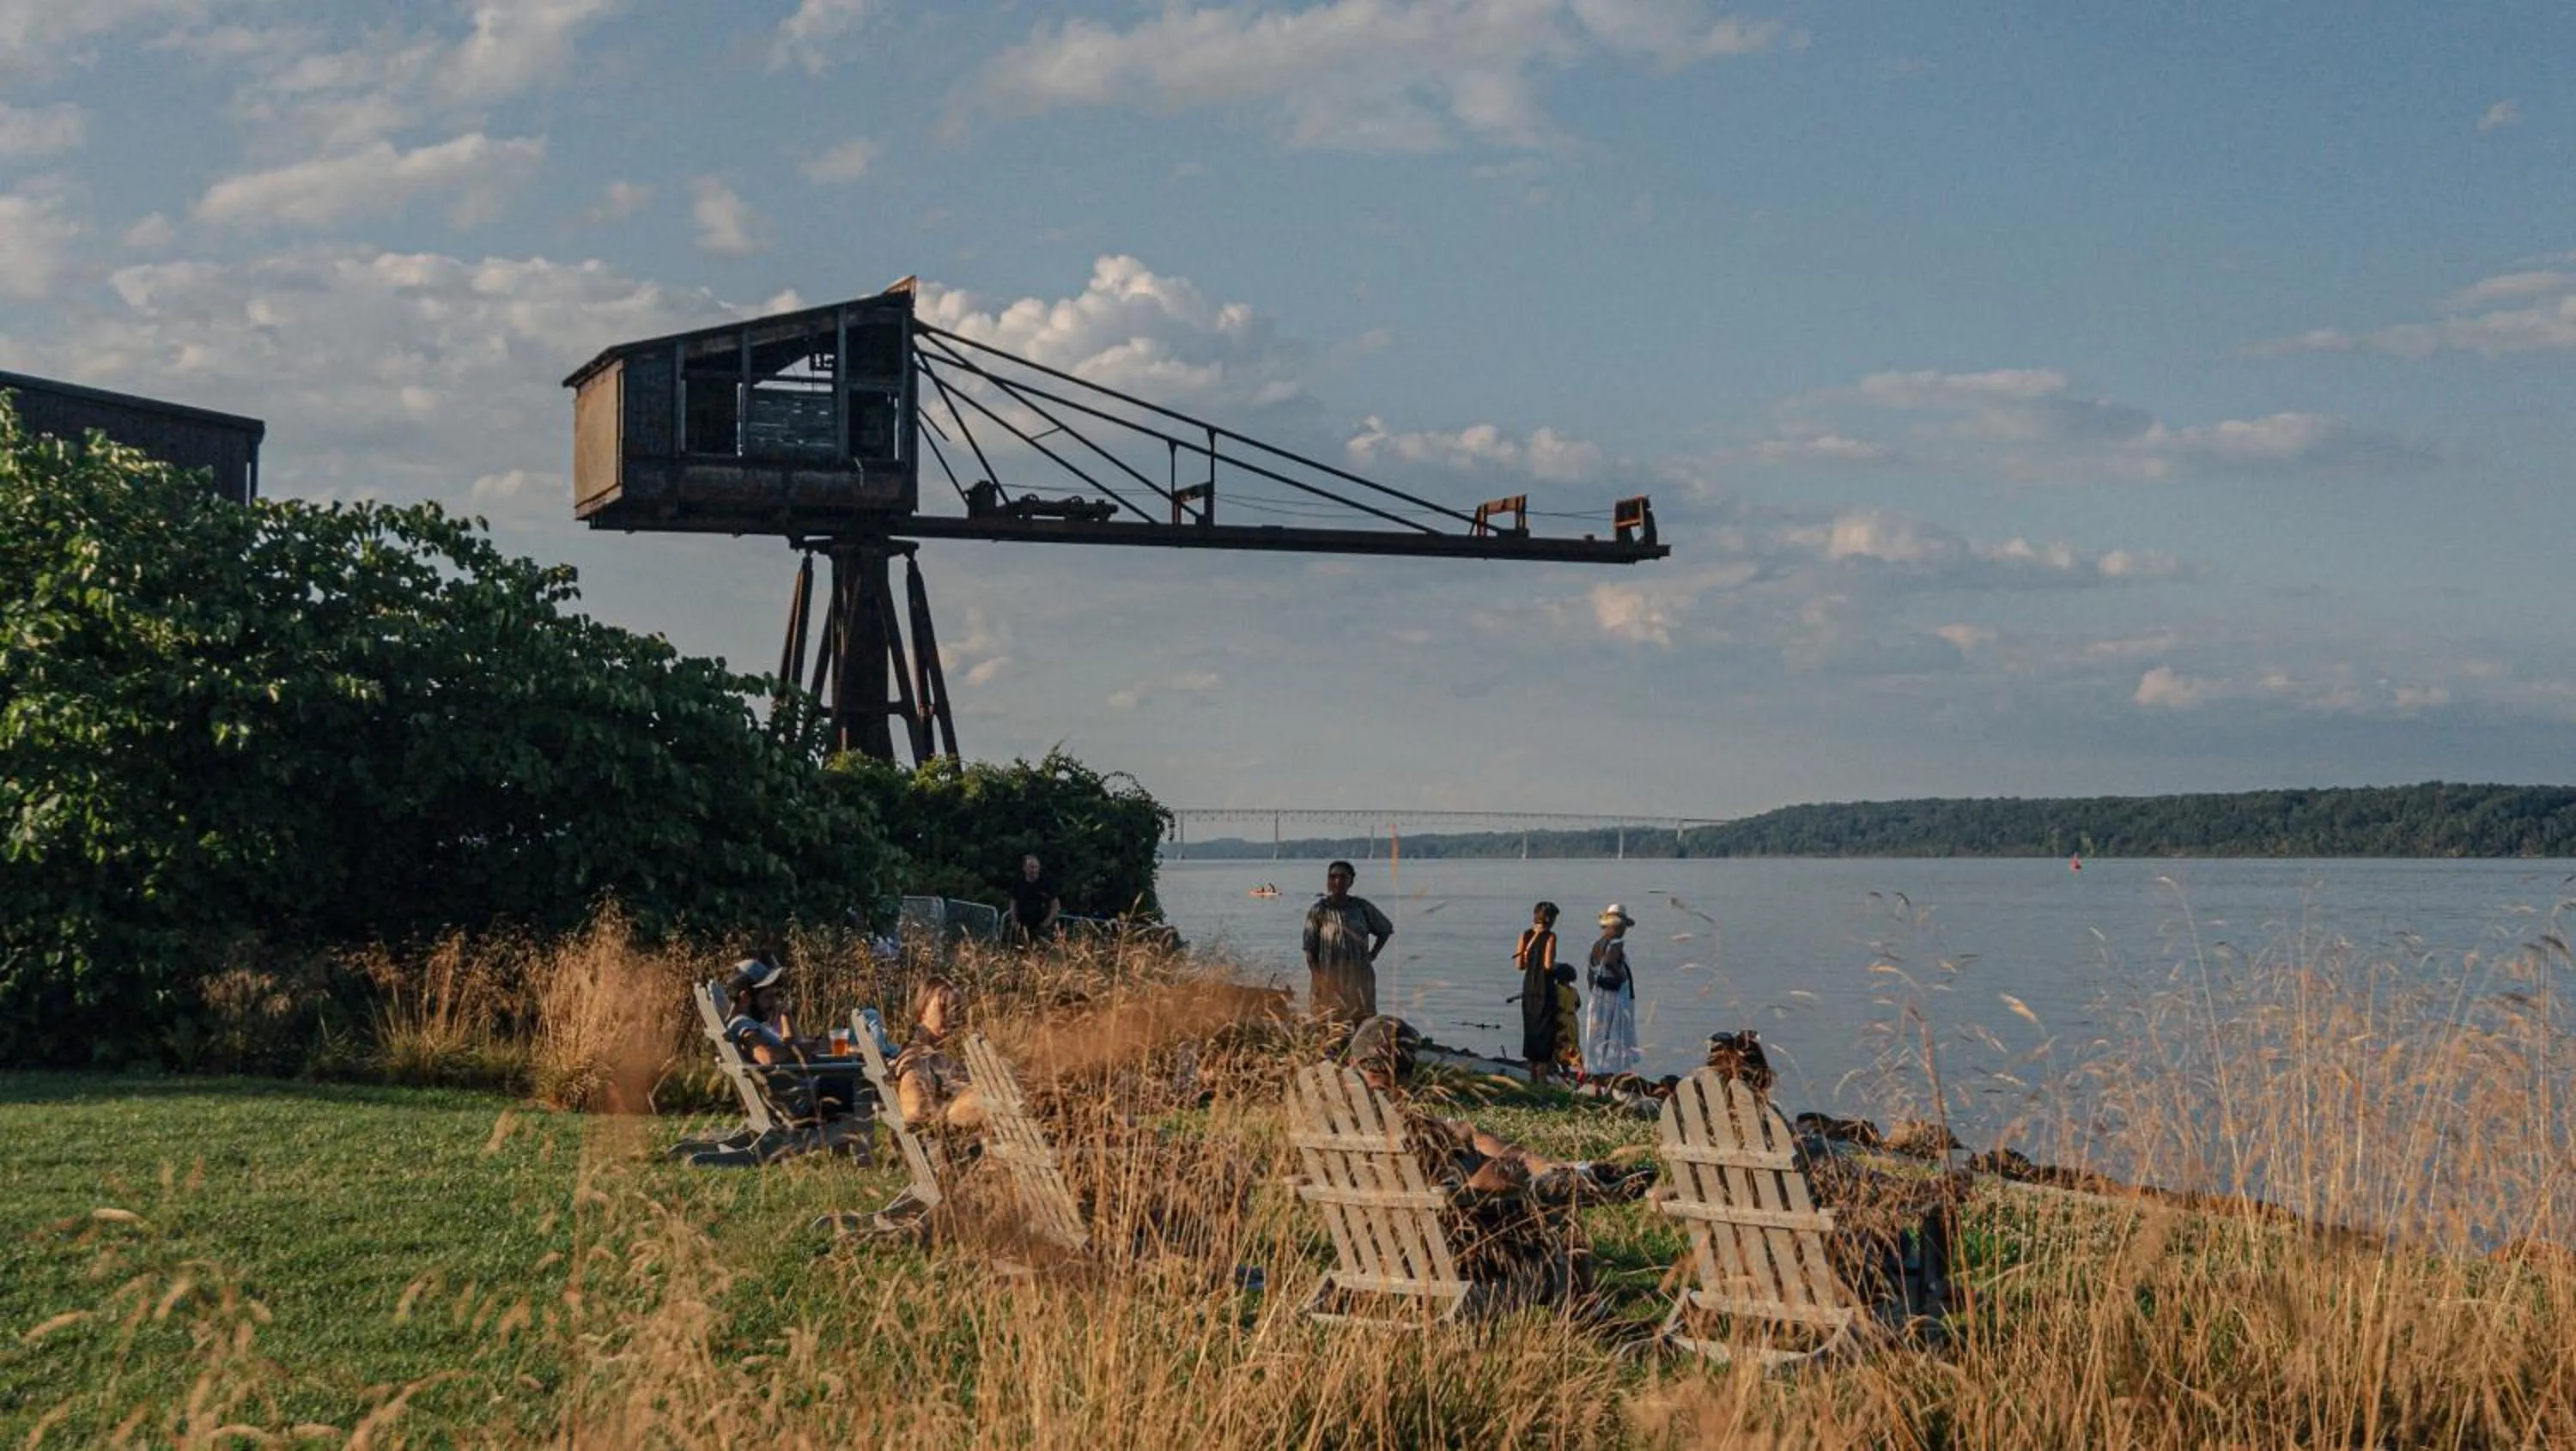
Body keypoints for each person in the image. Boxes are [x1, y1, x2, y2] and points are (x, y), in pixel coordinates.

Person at [720, 955, 856, 1120]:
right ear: (745, 997)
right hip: (804, 1101)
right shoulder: (743, 1024)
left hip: (800, 1092)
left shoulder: (746, 1023)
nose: (773, 1003)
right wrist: (798, 1051)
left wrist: (786, 1017)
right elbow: (767, 1058)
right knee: (864, 1083)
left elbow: (789, 1044)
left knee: (853, 1069)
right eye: (767, 997)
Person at [1302, 859, 1392, 1024]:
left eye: (1343, 877)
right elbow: (1309, 951)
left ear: (1351, 881)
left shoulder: (1361, 907)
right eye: (1333, 876)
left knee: (1362, 1020)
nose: (1337, 881)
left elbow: (1385, 930)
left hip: (1359, 976)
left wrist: (1373, 955)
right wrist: (1319, 979)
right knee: (1327, 1023)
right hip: (1328, 975)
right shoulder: (1319, 911)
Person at [1583, 903, 1641, 1078]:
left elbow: (1590, 973)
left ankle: (1597, 1073)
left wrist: (1595, 990)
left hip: (1599, 996)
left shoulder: (1597, 944)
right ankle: (1610, 1073)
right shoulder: (1615, 943)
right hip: (1613, 997)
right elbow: (1610, 962)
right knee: (1615, 1034)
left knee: (1598, 1035)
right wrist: (1622, 976)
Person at [1513, 902, 1561, 1076]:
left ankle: (1530, 1077)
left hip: (1529, 987)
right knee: (1545, 1035)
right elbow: (1548, 965)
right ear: (1549, 919)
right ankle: (1542, 1082)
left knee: (1531, 1032)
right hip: (1544, 988)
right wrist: (1560, 968)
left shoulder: (1525, 935)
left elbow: (1519, 964)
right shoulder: (1550, 937)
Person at [1008, 853, 1060, 944]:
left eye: (1036, 867)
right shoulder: (1018, 883)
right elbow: (1013, 903)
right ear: (1024, 868)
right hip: (1023, 926)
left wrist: (1047, 922)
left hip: (1041, 927)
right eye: (1031, 867)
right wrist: (1015, 922)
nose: (1034, 870)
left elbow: (1056, 905)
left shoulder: (1046, 884)